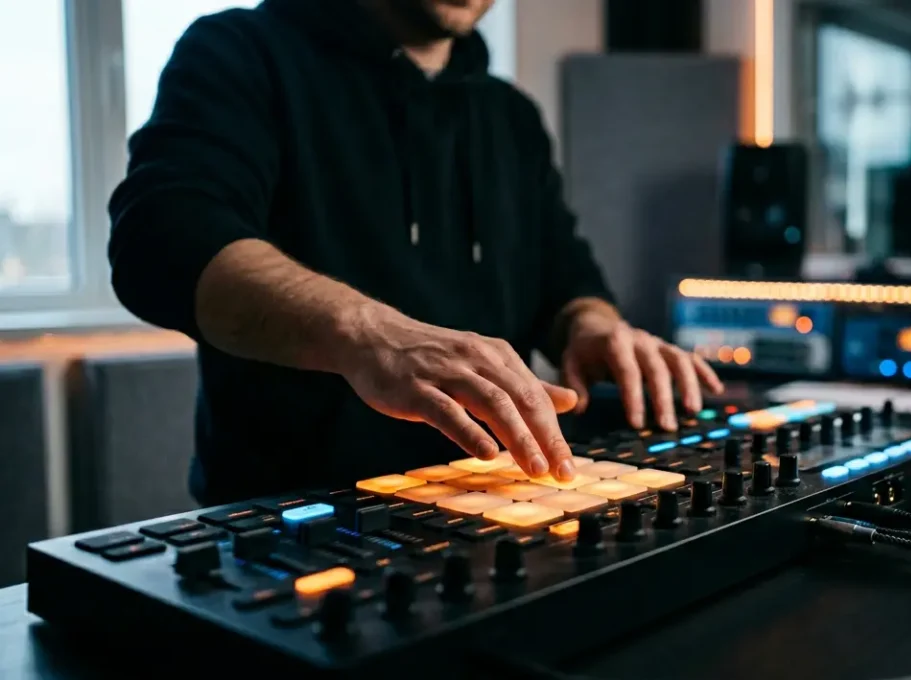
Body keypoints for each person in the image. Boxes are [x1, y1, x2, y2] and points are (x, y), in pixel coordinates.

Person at [107, 0, 722, 506]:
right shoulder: (238, 51)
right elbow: (162, 237)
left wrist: (593, 327)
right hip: (296, 522)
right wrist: (366, 333)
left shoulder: (510, 116)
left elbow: (565, 276)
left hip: (500, 510)